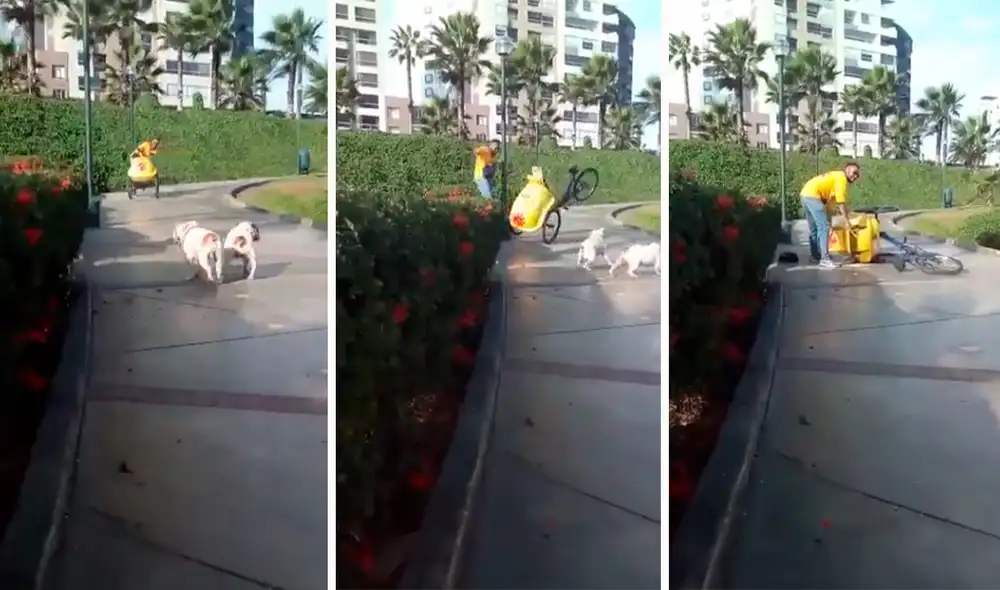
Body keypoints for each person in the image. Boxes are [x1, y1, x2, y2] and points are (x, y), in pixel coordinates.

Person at [799, 162, 861, 269]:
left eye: (857, 175)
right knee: (824, 227)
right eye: (854, 173)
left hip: (805, 194)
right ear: (846, 170)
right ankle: (825, 259)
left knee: (814, 229)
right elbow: (840, 202)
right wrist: (847, 221)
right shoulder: (841, 179)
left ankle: (815, 256)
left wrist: (830, 219)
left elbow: (831, 203)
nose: (855, 176)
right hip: (814, 196)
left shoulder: (836, 176)